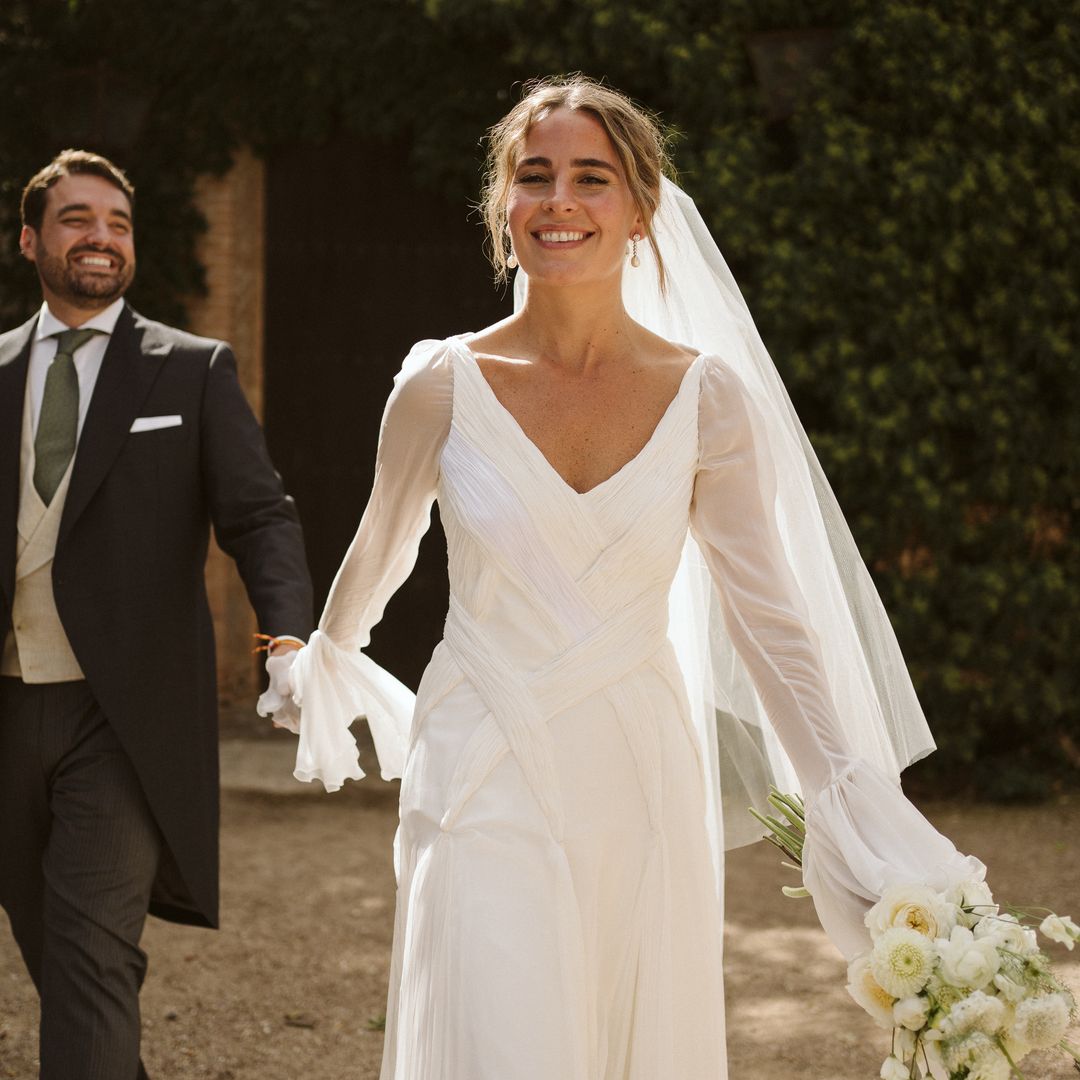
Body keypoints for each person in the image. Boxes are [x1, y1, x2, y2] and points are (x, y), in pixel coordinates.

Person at [260, 76, 981, 1079]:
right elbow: (378, 553)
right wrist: (318, 661)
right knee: (499, 1028)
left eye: (590, 179)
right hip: (479, 755)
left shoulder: (707, 401)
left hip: (639, 766)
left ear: (640, 212)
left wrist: (853, 803)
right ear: (503, 209)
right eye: (535, 176)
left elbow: (770, 621)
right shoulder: (440, 386)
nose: (559, 201)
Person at [0, 149, 313, 1080]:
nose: (101, 237)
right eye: (76, 219)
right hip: (7, 706)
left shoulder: (191, 371)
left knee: (95, 953)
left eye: (118, 223)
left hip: (127, 714)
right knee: (56, 953)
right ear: (30, 240)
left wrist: (286, 635)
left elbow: (259, 516)